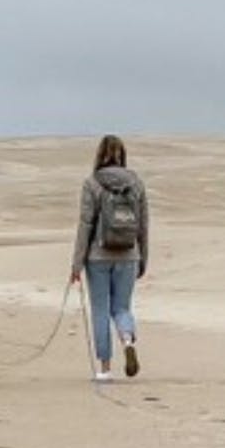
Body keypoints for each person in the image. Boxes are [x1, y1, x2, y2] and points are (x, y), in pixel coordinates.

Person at [69, 134, 149, 382]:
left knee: (101, 310)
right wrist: (143, 257)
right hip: (128, 254)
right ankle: (127, 339)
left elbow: (85, 224)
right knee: (122, 308)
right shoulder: (136, 183)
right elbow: (143, 225)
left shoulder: (92, 183)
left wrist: (76, 264)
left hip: (98, 257)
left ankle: (104, 369)